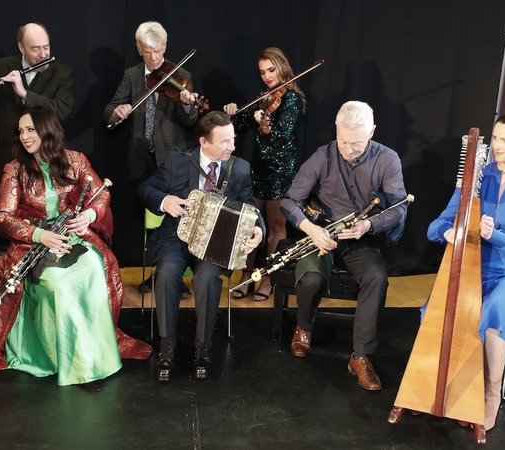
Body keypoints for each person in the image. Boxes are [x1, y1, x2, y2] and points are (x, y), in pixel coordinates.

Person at [0, 106, 151, 390]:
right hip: (33, 242)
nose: (25, 136)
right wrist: (39, 235)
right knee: (59, 286)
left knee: (94, 271)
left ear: (47, 129)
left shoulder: (76, 160)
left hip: (75, 237)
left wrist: (87, 217)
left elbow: (102, 193)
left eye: (30, 129)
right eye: (21, 131)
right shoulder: (15, 169)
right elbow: (2, 216)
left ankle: (92, 357)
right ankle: (73, 362)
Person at [426, 109, 505, 430]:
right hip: (475, 266)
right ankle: (439, 384)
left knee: (498, 306)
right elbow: (443, 219)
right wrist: (447, 231)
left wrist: (492, 234)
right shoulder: (480, 175)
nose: (496, 146)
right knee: (440, 305)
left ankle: (490, 393)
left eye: (504, 140)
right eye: (495, 138)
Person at [280, 101, 408, 391]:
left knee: (376, 277)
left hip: (359, 239)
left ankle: (360, 356)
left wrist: (369, 225)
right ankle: (304, 328)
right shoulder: (322, 156)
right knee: (311, 278)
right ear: (336, 130)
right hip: (321, 235)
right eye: (344, 142)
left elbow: (400, 209)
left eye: (358, 144)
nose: (349, 150)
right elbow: (289, 201)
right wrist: (311, 229)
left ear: (372, 132)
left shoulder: (387, 159)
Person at [139, 111, 264, 382]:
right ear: (204, 142)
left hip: (215, 242)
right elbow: (146, 189)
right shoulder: (176, 162)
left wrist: (258, 229)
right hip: (176, 237)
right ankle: (167, 346)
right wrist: (166, 201)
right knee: (168, 272)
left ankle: (203, 347)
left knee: (207, 277)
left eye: (232, 140)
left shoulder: (239, 167)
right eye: (224, 142)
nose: (232, 147)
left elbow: (250, 206)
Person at [103, 21, 199, 295]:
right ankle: (157, 271)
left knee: (176, 217)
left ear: (165, 47)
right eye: (148, 52)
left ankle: (172, 275)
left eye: (158, 51)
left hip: (172, 158)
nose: (154, 58)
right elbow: (110, 107)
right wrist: (116, 112)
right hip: (140, 157)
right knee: (148, 219)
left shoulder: (180, 74)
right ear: (138, 49)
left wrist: (186, 103)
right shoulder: (132, 76)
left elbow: (190, 121)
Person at [224, 47, 306, 301]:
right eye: (262, 72)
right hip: (258, 170)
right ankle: (246, 277)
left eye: (271, 70)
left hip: (281, 170)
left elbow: (280, 137)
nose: (267, 76)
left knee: (275, 227)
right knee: (250, 224)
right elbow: (236, 125)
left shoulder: (291, 98)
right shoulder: (264, 97)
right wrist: (232, 112)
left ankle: (268, 279)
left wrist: (263, 122)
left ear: (282, 67)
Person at [0, 22, 75, 180]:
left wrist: (24, 94)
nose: (43, 54)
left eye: (46, 47)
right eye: (35, 48)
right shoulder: (0, 67)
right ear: (21, 47)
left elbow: (61, 110)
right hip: (5, 154)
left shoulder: (63, 73)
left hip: (45, 156)